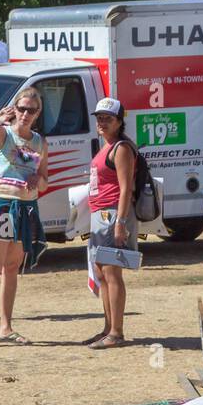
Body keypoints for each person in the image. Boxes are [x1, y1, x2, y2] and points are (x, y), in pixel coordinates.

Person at [0, 87, 48, 349]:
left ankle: (6, 327)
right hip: (1, 203)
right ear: (16, 108)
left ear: (38, 114)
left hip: (25, 207)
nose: (25, 114)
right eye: (22, 108)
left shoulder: (39, 142)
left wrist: (39, 180)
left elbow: (45, 181)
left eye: (31, 110)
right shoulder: (3, 133)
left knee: (12, 268)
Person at [84, 96, 138, 350]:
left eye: (108, 118)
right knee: (101, 272)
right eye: (99, 118)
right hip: (100, 214)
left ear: (119, 121)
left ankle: (116, 332)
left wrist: (121, 222)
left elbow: (126, 188)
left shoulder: (122, 149)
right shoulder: (105, 146)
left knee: (112, 272)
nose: (102, 122)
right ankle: (108, 327)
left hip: (112, 214)